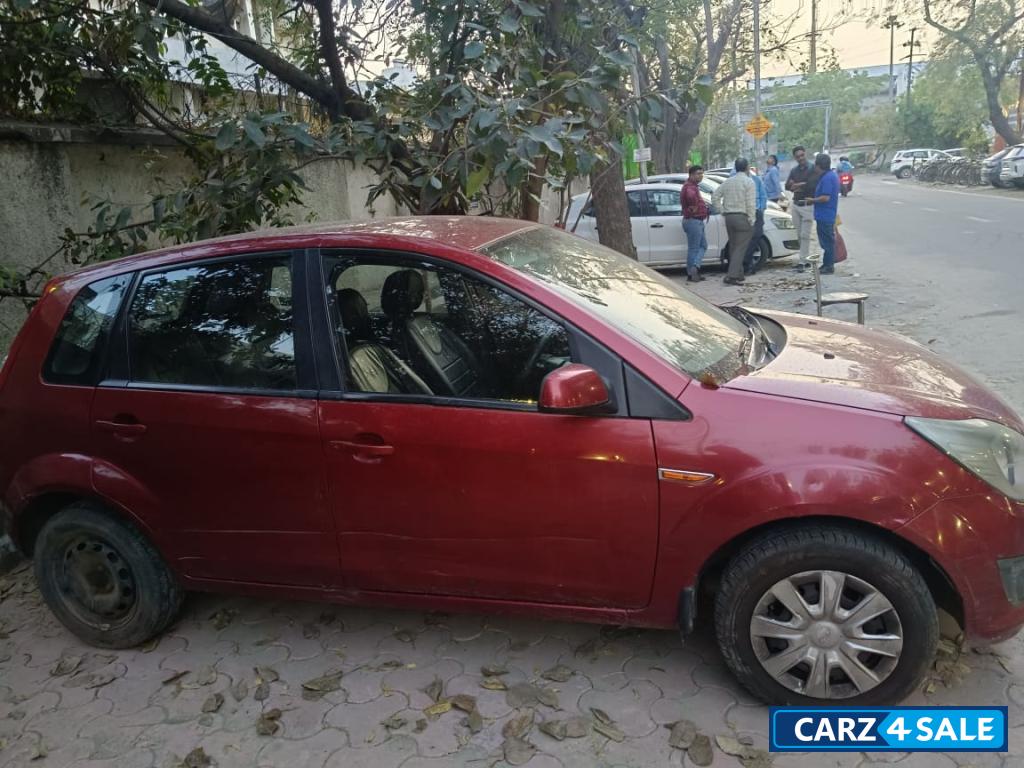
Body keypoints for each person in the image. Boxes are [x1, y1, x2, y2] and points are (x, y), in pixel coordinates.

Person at [711, 158, 756, 285]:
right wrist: (752, 219)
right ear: (747, 167)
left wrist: (722, 210)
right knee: (740, 248)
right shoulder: (749, 182)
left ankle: (739, 273)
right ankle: (732, 276)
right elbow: (750, 203)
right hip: (742, 216)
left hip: (729, 217)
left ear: (735, 168)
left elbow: (715, 197)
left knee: (734, 246)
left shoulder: (728, 182)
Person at [785, 145, 821, 272]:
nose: (800, 158)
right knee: (799, 235)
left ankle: (802, 261)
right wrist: (796, 185)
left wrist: (798, 185)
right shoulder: (794, 170)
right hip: (796, 205)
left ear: (805, 154)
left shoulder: (812, 169)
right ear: (795, 158)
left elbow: (812, 185)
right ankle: (804, 259)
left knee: (805, 235)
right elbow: (787, 186)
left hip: (808, 205)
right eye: (797, 156)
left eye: (802, 155)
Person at [810, 153, 840, 274]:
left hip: (825, 214)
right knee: (826, 240)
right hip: (826, 214)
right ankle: (827, 264)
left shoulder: (827, 178)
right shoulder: (829, 176)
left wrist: (812, 200)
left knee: (827, 241)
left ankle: (829, 265)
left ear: (819, 166)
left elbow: (825, 197)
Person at [680, 165, 709, 283]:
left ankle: (694, 269)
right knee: (694, 248)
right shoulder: (689, 187)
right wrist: (694, 208)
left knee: (703, 246)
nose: (700, 176)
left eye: (702, 173)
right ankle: (692, 271)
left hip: (696, 221)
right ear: (691, 175)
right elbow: (691, 197)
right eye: (698, 173)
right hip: (693, 221)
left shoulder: (693, 186)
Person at [743, 167, 767, 275]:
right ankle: (747, 264)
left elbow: (763, 196)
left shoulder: (756, 180)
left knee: (756, 236)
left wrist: (761, 209)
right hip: (744, 213)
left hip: (756, 212)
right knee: (746, 240)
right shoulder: (738, 181)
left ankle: (748, 263)